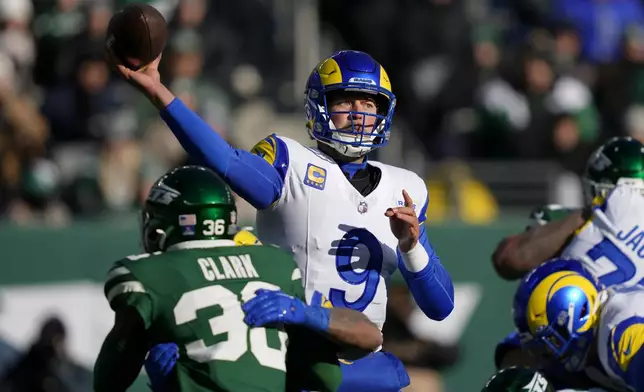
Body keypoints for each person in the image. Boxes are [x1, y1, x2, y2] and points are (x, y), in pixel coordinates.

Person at [105, 48, 454, 389]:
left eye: (368, 103)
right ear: (321, 106)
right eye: (345, 101)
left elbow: (439, 307)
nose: (359, 113)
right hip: (288, 358)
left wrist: (410, 246)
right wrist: (161, 95)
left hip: (358, 358)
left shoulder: (406, 188)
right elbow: (226, 161)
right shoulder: (291, 160)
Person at [93, 165, 383, 392]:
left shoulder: (148, 273)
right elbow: (334, 371)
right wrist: (308, 317)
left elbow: (107, 382)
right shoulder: (275, 265)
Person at [492, 137, 644, 371]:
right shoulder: (605, 212)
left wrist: (586, 216)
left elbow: (509, 258)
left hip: (598, 348)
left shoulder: (602, 210)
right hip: (609, 347)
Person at [511, 257, 644, 392]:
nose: (548, 355)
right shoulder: (596, 339)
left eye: (553, 342)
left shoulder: (622, 333)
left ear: (577, 314)